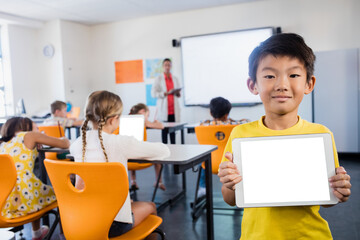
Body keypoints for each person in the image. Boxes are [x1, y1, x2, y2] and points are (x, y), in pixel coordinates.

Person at [218, 33, 352, 239]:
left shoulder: (320, 134)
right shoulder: (240, 134)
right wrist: (229, 182)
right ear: (253, 85)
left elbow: (327, 197)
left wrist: (339, 188)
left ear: (309, 83)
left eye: (294, 75)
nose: (282, 84)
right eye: (270, 76)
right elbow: (230, 199)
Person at [70, 91, 170, 238]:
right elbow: (163, 151)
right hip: (114, 224)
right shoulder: (121, 142)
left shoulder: (76, 145)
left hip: (82, 220)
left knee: (130, 203)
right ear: (113, 120)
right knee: (151, 206)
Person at [0, 117, 70, 240]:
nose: (38, 131)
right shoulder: (29, 135)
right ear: (25, 126)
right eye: (36, 127)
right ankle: (64, 235)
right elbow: (64, 144)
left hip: (5, 201)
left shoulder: (3, 144)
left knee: (34, 188)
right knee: (61, 194)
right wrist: (63, 137)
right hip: (25, 197)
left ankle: (37, 233)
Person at [129, 103, 166, 191]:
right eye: (148, 115)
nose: (148, 118)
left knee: (130, 150)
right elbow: (161, 126)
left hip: (127, 162)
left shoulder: (126, 119)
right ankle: (159, 182)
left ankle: (133, 181)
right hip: (139, 159)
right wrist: (154, 123)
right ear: (142, 112)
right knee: (157, 157)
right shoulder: (143, 121)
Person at [151, 58, 181, 144]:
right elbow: (153, 93)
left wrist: (177, 93)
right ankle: (165, 152)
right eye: (165, 65)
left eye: (169, 65)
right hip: (164, 110)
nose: (167, 67)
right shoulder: (159, 79)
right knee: (164, 132)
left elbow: (178, 94)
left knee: (173, 132)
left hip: (173, 111)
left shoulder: (175, 78)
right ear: (163, 67)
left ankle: (174, 151)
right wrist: (165, 93)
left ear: (171, 66)